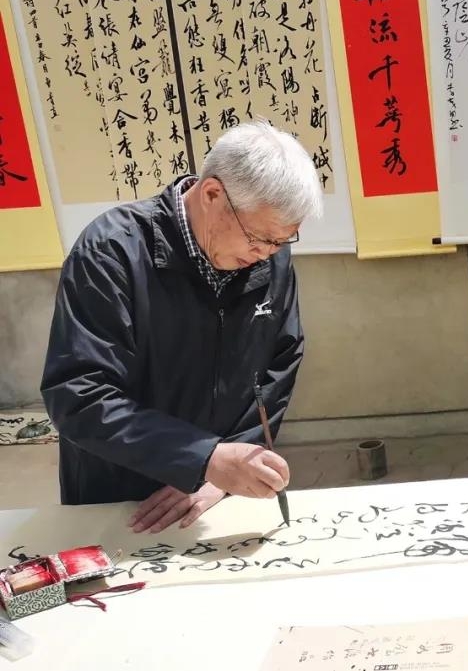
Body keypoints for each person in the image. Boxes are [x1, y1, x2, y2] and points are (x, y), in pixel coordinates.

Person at [41, 120, 323, 533]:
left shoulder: (269, 257)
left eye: (282, 241)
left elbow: (280, 361)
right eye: (258, 237)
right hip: (121, 494)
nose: (267, 254)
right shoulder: (110, 253)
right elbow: (78, 394)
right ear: (212, 194)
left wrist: (228, 465)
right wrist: (201, 458)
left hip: (216, 493)